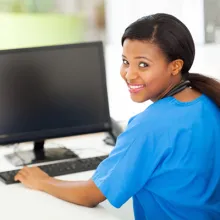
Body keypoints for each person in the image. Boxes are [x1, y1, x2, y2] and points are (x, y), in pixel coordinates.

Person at [15, 13, 220, 219]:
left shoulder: (149, 126)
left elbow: (90, 195)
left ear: (175, 66)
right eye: (125, 61)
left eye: (143, 65)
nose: (129, 74)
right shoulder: (208, 100)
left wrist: (42, 181)